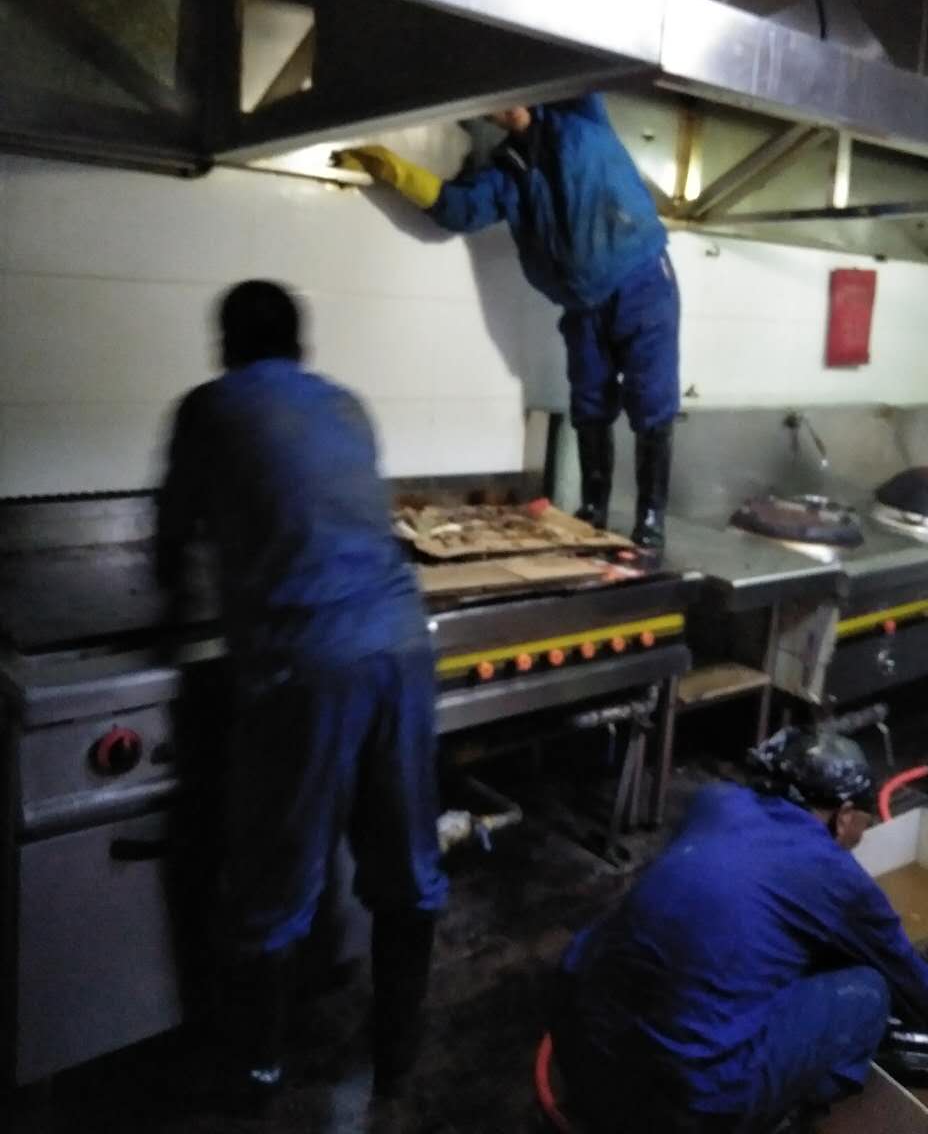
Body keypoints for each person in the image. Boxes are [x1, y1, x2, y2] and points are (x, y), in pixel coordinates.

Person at [156, 280, 447, 1121]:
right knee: (406, 863)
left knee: (272, 874)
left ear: (226, 346)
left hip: (306, 663)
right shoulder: (346, 405)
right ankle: (397, 1061)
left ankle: (254, 1075)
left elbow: (172, 538)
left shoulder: (209, 407)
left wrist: (175, 610)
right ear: (300, 346)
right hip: (401, 646)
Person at [551, 726, 928, 1134]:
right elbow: (923, 999)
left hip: (580, 1056)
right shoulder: (834, 874)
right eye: (863, 826)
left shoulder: (714, 801)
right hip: (682, 1110)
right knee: (868, 991)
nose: (859, 839)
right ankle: (784, 1115)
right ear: (845, 815)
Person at [333, 94, 679, 548]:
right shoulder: (506, 173)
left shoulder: (580, 114)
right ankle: (594, 507)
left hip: (641, 280)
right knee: (589, 401)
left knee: (650, 397)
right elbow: (460, 209)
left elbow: (579, 72)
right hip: (581, 305)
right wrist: (395, 171)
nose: (509, 107)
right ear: (486, 117)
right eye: (495, 103)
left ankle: (650, 517)